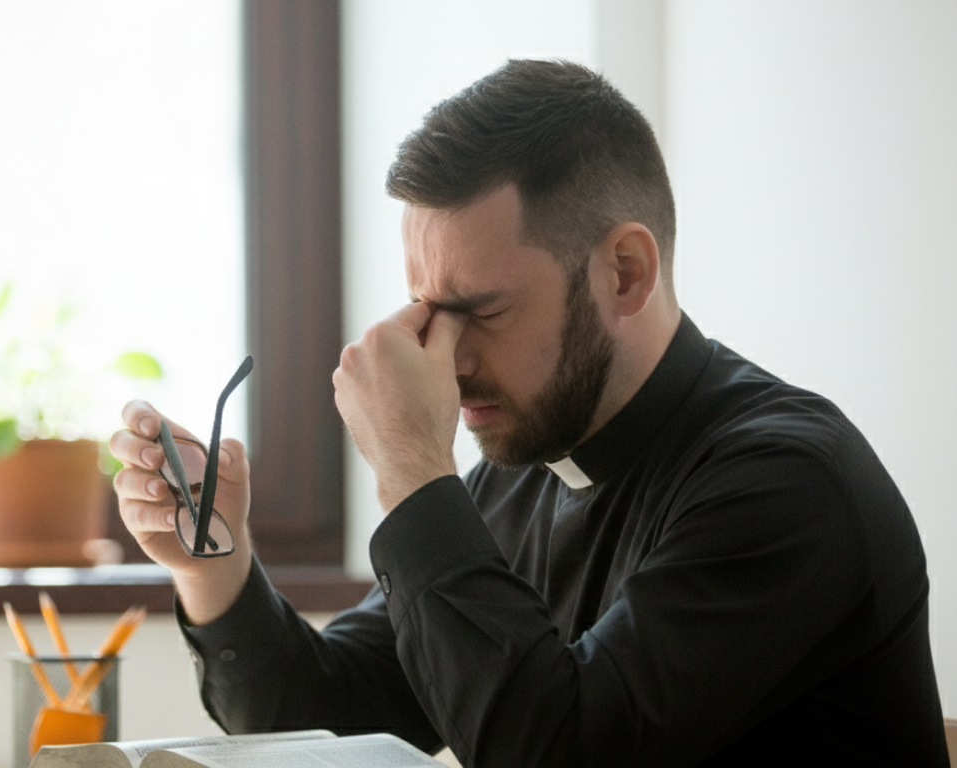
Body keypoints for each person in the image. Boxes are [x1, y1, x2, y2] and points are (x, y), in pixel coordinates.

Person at [108, 59, 947, 767]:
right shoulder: (519, 478)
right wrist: (213, 564)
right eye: (429, 313)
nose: (448, 359)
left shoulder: (787, 484)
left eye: (482, 311)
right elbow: (322, 719)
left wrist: (412, 467)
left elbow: (556, 751)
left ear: (625, 272)